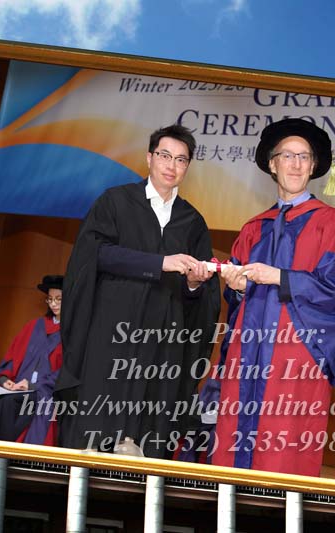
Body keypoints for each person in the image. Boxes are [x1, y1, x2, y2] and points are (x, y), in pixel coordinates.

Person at [55, 124, 221, 458]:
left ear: (188, 167)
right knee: (96, 432)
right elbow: (94, 254)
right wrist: (160, 263)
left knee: (148, 430)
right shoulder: (116, 201)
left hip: (163, 341)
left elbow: (200, 300)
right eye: (164, 155)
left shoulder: (192, 221)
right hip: (111, 332)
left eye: (181, 160)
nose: (171, 165)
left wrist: (193, 283)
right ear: (149, 158)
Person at [210, 118, 335, 477]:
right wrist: (237, 286)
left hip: (297, 353)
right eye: (287, 156)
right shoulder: (253, 228)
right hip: (248, 352)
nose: (296, 164)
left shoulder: (334, 223)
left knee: (282, 453)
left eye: (304, 157)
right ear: (272, 164)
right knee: (233, 445)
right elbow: (237, 301)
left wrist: (280, 277)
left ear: (313, 166)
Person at [0, 275, 64, 445]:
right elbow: (12, 357)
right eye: (50, 299)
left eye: (59, 299)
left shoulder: (74, 334)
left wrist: (33, 386)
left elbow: (68, 372)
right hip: (17, 388)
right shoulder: (34, 326)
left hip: (44, 391)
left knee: (6, 403)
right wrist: (5, 379)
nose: (53, 304)